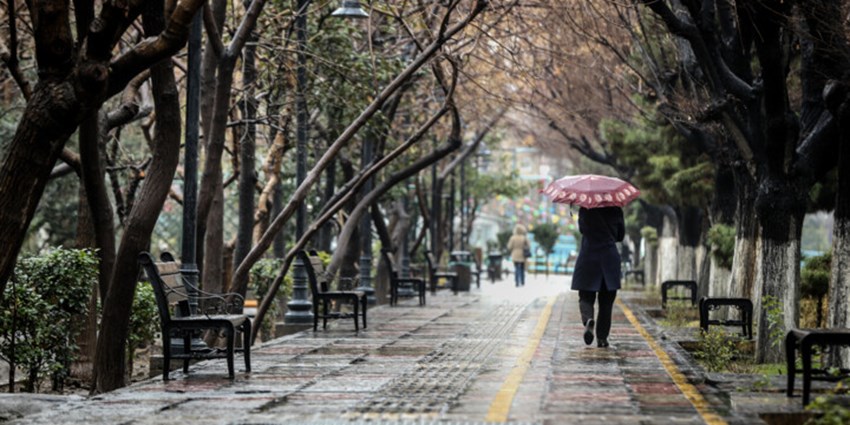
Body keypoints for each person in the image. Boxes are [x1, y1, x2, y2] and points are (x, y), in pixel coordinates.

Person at [571, 206, 625, 348]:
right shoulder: (615, 209)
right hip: (609, 257)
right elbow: (620, 236)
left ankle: (588, 320)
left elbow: (582, 230)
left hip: (589, 256)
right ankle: (602, 338)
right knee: (606, 303)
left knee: (585, 296)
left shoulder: (585, 209)